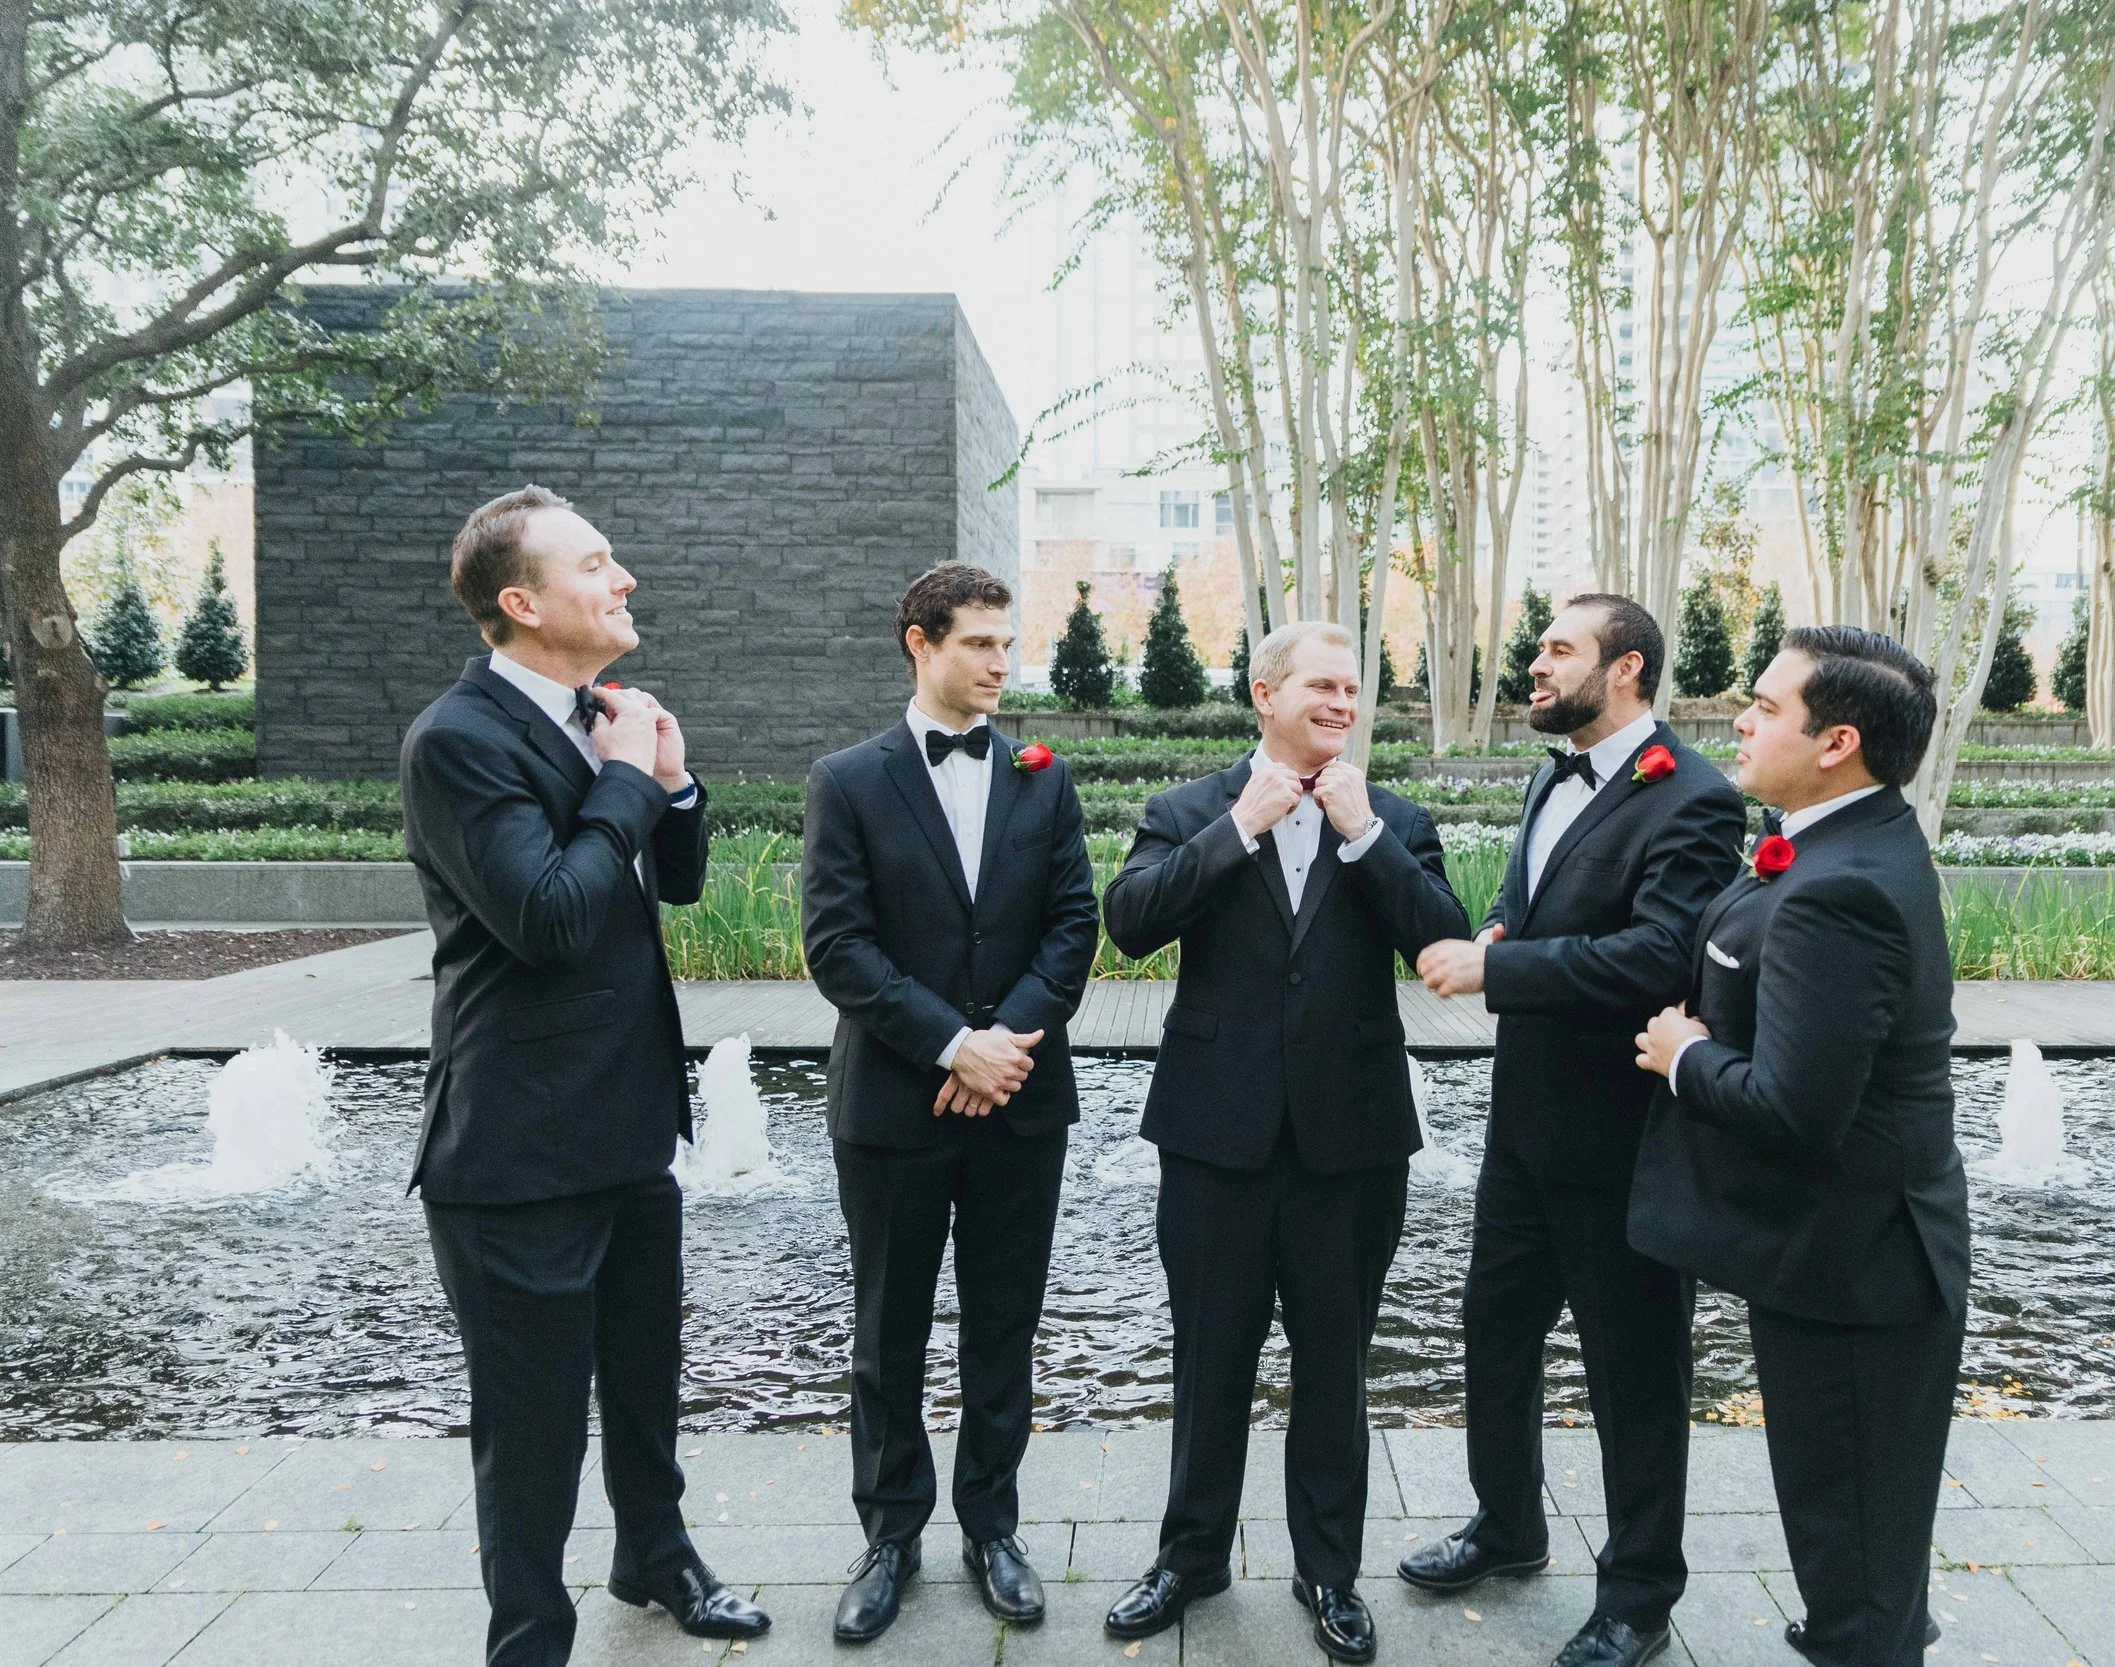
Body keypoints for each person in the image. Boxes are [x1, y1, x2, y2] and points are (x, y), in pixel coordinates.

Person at [400, 484, 768, 1666]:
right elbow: (550, 918)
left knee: (645, 1382)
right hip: (516, 1153)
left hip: (626, 1126)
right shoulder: (457, 740)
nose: (625, 579)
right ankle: (529, 1640)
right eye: (597, 562)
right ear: (522, 603)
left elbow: (674, 881)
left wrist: (673, 782)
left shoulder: (597, 715)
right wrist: (626, 782)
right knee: (533, 1427)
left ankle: (655, 1555)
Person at [1098, 621, 1471, 1664]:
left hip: (1351, 1144)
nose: (1343, 703)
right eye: (1324, 685)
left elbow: (1441, 937)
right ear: (1265, 693)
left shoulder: (1394, 818)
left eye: (1353, 689)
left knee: (1335, 1366)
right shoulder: (1188, 809)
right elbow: (1128, 920)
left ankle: (1329, 1571)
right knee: (1208, 1359)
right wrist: (1238, 828)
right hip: (1214, 1137)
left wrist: (1365, 836)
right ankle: (1189, 1559)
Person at [1402, 594, 1744, 1667]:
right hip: (1523, 1131)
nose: (1536, 664)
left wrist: (1496, 966)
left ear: (1626, 667)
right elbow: (1537, 901)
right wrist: (1502, 925)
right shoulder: (1550, 776)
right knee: (1493, 1333)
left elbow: (1658, 955)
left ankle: (1639, 1594)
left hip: (1625, 1142)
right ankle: (1508, 1524)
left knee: (1633, 1376)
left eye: (1559, 649)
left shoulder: (1695, 796)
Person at [1629, 625, 1968, 1667]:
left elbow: (1794, 1109)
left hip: (1859, 1270)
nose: (1740, 720)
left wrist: (1684, 1055)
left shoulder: (1841, 886)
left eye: (1766, 706)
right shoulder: (1845, 841)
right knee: (1857, 1533)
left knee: (1853, 1541)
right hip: (1848, 1254)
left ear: (1837, 743)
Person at [800, 563, 1097, 1644]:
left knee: (1004, 1326)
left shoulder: (1042, 776)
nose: (1000, 662)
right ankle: (889, 1536)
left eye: (1007, 643)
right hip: (894, 1101)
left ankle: (992, 1526)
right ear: (919, 643)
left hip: (1019, 1098)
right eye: (979, 642)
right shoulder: (847, 779)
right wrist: (951, 1044)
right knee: (888, 1329)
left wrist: (1001, 1045)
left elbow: (1073, 923)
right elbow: (838, 945)